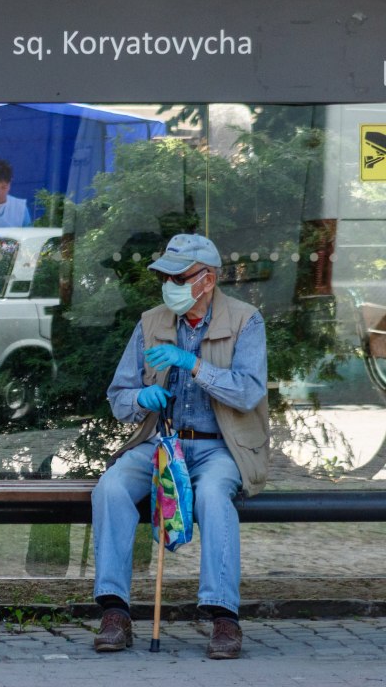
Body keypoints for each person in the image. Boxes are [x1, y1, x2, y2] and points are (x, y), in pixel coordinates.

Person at [91, 233, 269, 660]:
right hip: (160, 444)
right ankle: (115, 612)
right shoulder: (151, 322)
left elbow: (248, 392)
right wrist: (140, 399)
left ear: (207, 280)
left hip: (219, 448)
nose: (168, 283)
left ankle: (224, 617)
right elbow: (119, 395)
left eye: (178, 275)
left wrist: (193, 365)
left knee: (212, 494)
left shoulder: (247, 320)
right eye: (165, 275)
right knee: (110, 489)